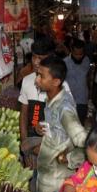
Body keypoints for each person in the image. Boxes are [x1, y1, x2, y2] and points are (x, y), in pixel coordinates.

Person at [34, 55, 87, 192]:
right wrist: (41, 129)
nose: (37, 79)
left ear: (56, 81)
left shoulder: (64, 109)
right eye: (37, 74)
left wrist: (70, 157)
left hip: (55, 180)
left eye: (41, 76)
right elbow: (59, 132)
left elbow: (84, 141)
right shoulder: (52, 99)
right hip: (49, 174)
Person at [18, 37, 71, 181]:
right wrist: (25, 150)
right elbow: (23, 116)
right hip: (32, 147)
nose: (35, 62)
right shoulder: (27, 81)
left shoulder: (61, 86)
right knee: (33, 188)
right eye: (34, 56)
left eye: (40, 58)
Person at [64, 39, 91, 125]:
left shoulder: (87, 61)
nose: (79, 56)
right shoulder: (65, 63)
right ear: (71, 51)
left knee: (80, 126)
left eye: (81, 54)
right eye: (76, 54)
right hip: (68, 101)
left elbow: (88, 78)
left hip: (82, 101)